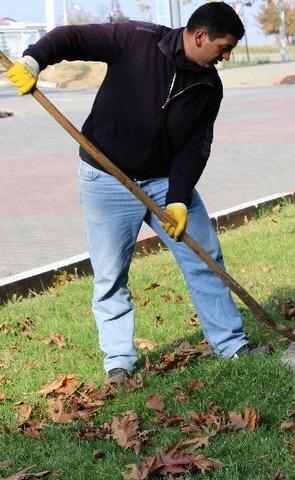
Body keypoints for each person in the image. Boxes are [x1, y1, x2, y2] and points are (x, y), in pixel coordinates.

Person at [5, 2, 267, 386]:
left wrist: (178, 197)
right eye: (223, 47)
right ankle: (119, 362)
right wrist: (33, 61)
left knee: (204, 256)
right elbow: (72, 37)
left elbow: (195, 147)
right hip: (106, 180)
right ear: (200, 37)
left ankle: (231, 345)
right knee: (110, 274)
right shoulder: (137, 39)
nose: (226, 57)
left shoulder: (209, 86)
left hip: (164, 185)